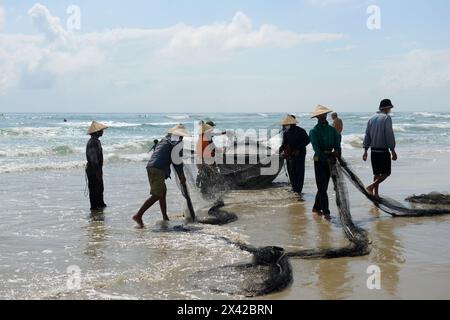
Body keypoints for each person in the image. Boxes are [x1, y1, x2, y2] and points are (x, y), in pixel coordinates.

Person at [133, 124, 190, 228]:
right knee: (157, 194)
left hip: (151, 166)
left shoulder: (165, 139)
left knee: (162, 192)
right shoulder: (177, 142)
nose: (182, 137)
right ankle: (138, 215)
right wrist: (181, 175)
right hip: (158, 169)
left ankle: (165, 216)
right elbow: (177, 161)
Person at [309, 105, 342, 220]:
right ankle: (326, 212)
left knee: (323, 186)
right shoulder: (313, 131)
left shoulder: (332, 130)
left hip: (330, 160)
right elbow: (316, 149)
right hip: (319, 161)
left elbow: (337, 145)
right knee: (322, 187)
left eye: (324, 114)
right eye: (321, 115)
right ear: (317, 117)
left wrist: (337, 152)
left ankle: (316, 208)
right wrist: (325, 159)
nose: (323, 116)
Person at [363, 99, 397, 197]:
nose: (390, 110)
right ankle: (371, 187)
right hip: (383, 151)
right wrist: (393, 150)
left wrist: (365, 150)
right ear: (386, 108)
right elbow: (389, 135)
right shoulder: (387, 118)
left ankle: (376, 194)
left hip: (373, 151)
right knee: (386, 173)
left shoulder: (371, 118)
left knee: (376, 173)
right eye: (390, 108)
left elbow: (367, 135)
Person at [279, 115, 310, 196]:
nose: (286, 125)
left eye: (287, 123)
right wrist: (279, 151)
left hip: (300, 155)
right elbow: (284, 144)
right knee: (291, 172)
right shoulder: (286, 132)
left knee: (299, 173)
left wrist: (298, 149)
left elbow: (307, 140)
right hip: (289, 155)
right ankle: (294, 189)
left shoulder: (301, 131)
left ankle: (298, 190)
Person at [86, 121, 108, 211]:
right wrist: (98, 171)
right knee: (95, 190)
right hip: (93, 169)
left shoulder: (96, 141)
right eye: (101, 130)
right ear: (97, 132)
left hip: (95, 169)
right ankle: (95, 208)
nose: (102, 132)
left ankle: (100, 206)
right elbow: (94, 159)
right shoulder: (93, 142)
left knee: (99, 189)